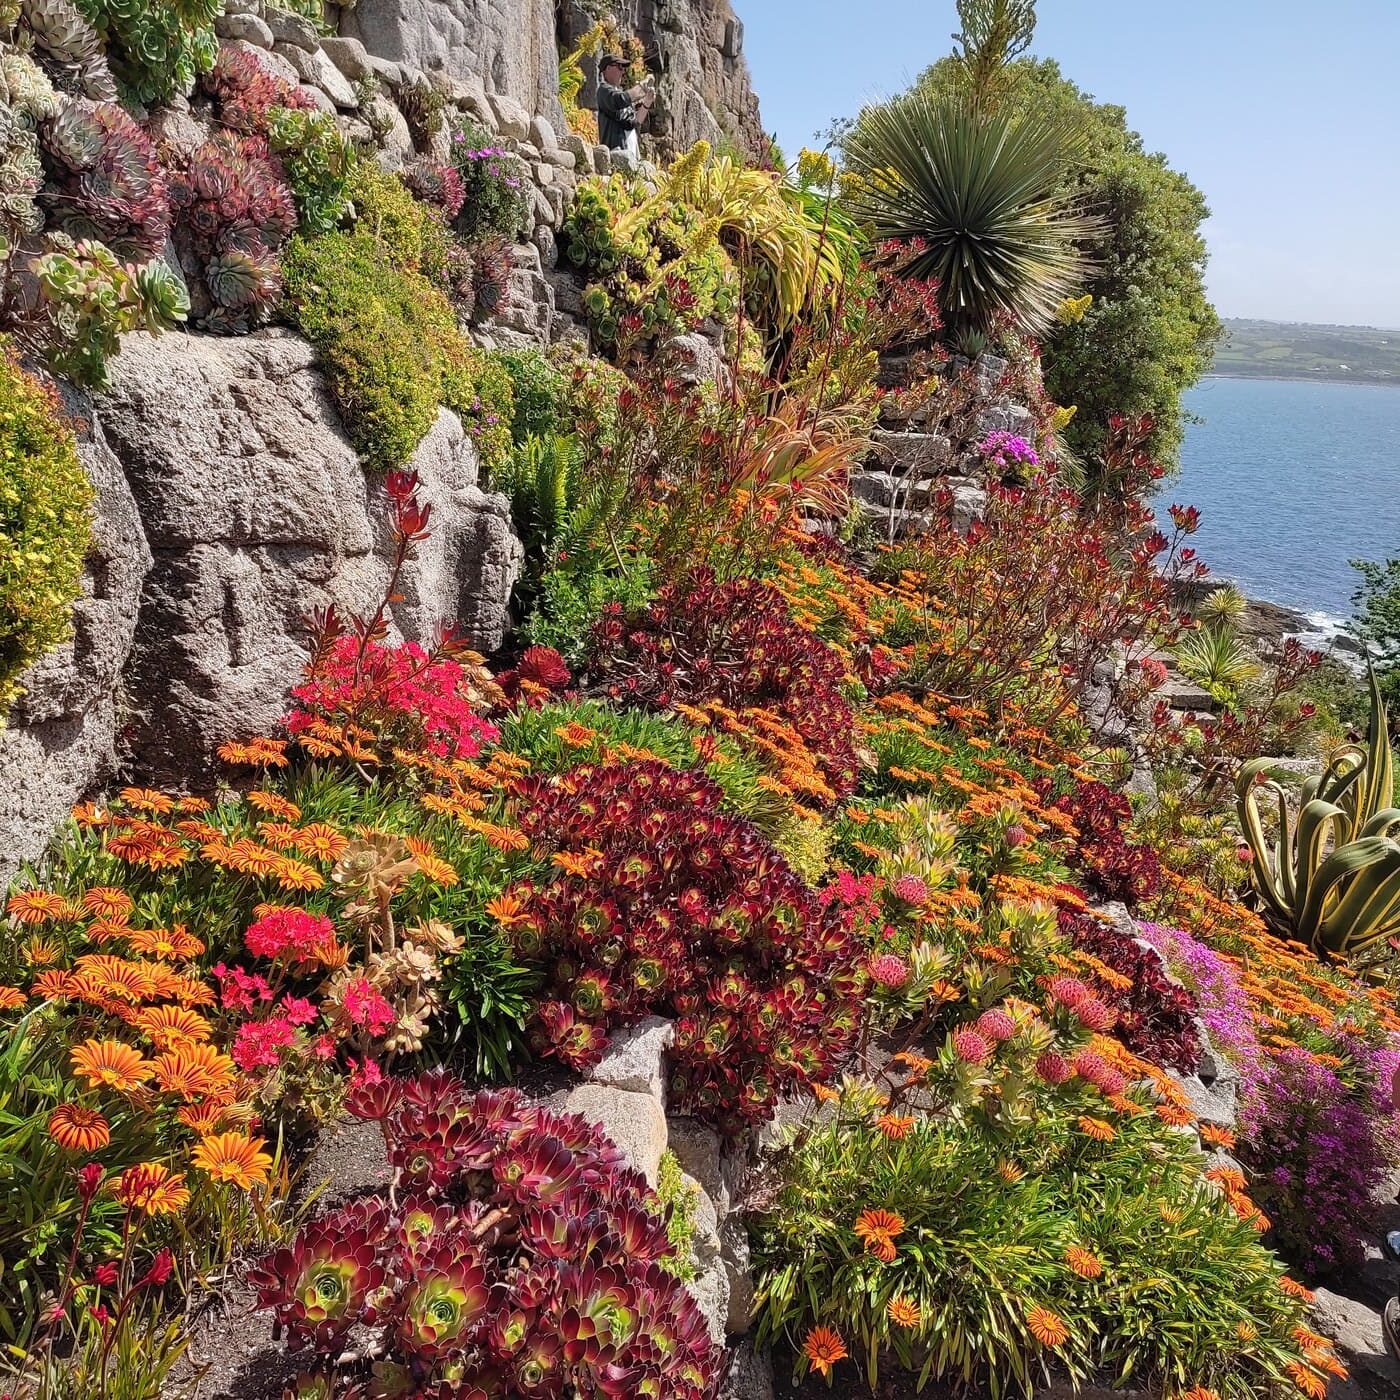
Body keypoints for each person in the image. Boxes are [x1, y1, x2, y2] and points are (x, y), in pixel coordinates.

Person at [595, 52, 650, 157]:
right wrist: (641, 86)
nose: (623, 71)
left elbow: (633, 123)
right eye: (619, 67)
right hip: (616, 155)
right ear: (607, 69)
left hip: (630, 156)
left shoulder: (617, 92)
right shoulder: (604, 90)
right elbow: (620, 100)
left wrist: (647, 102)